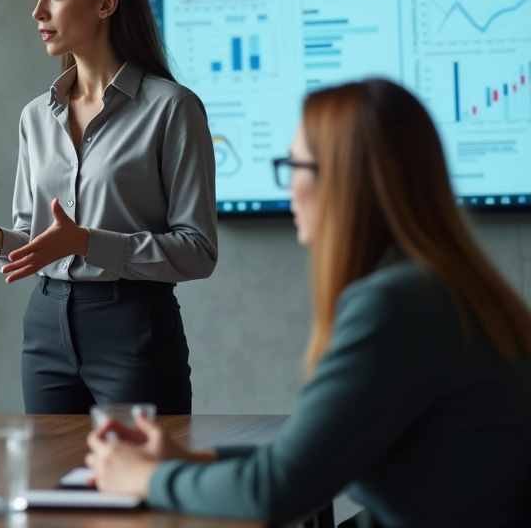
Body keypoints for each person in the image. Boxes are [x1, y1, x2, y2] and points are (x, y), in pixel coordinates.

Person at [85, 79, 531, 527]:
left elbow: (275, 489)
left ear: (345, 179)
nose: (289, 186)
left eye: (295, 165)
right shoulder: (442, 287)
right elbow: (307, 458)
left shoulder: (394, 307)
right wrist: (187, 460)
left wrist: (146, 477)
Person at [0, 0, 217, 414]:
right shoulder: (36, 115)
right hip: (45, 327)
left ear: (106, 3)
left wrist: (88, 242)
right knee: (47, 465)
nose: (38, 12)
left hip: (134, 328)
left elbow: (198, 251)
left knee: (134, 467)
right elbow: (39, 239)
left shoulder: (172, 108)